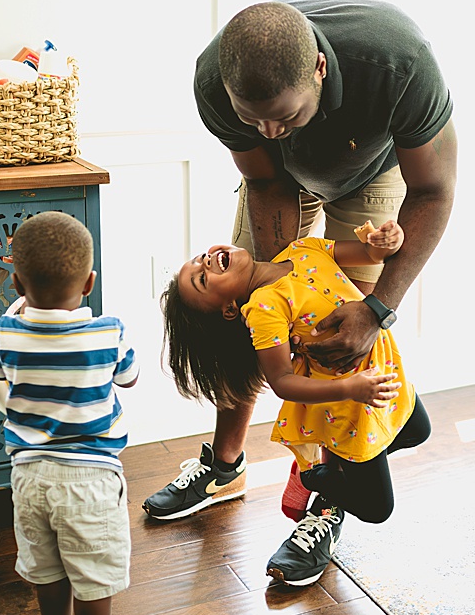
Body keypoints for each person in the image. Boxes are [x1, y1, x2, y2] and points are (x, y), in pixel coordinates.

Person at [142, 0, 456, 522]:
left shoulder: (400, 66)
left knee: (344, 342)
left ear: (319, 68)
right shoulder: (215, 80)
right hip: (278, 184)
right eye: (252, 118)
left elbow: (434, 192)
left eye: (284, 116)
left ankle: (330, 497)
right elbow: (265, 175)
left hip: (371, 172)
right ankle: (225, 465)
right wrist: (278, 290)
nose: (269, 132)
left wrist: (376, 309)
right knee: (255, 322)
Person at [162, 222, 431, 586]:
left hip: (383, 374)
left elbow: (370, 254)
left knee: (418, 430)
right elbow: (283, 382)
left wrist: (385, 241)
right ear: (228, 309)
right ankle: (318, 477)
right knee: (376, 508)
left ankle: (339, 471)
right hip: (348, 409)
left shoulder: (303, 248)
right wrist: (350, 388)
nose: (206, 261)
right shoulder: (263, 308)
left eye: (200, 260)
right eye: (202, 279)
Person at [0, 211, 149, 615]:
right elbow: (129, 378)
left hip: (28, 474)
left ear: (15, 281)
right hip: (90, 477)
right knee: (94, 571)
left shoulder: (7, 333)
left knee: (47, 567)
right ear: (90, 281)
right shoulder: (107, 331)